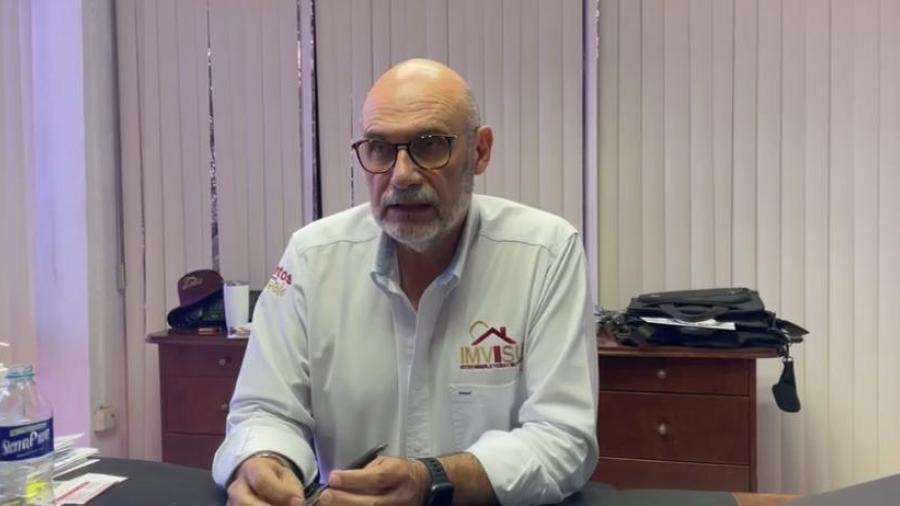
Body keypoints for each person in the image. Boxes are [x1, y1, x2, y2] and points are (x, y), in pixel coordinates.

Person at [213, 59, 598, 506]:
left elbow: (563, 439)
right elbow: (264, 409)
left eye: (430, 146)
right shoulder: (312, 257)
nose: (402, 175)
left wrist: (433, 481)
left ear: (480, 152)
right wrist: (263, 459)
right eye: (379, 149)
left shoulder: (545, 253)